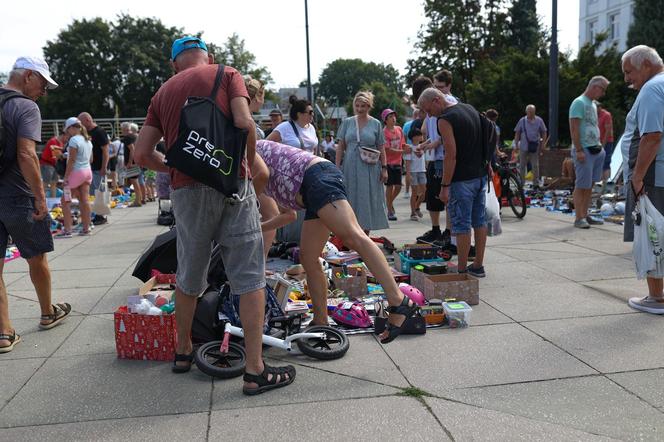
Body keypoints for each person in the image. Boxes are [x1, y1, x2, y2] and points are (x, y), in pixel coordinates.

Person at [134, 36, 294, 394]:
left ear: (174, 63)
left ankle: (183, 350)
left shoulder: (162, 94)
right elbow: (245, 123)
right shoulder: (227, 74)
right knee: (249, 273)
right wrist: (246, 166)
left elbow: (141, 154)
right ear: (208, 57)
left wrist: (175, 168)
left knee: (190, 270)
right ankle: (254, 370)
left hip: (186, 190)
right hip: (232, 184)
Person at [253, 140, 419, 343]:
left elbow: (261, 175)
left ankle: (398, 300)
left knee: (353, 236)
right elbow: (288, 216)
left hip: (316, 178)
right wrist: (254, 229)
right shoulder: (256, 174)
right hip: (310, 188)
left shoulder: (246, 152)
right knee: (308, 257)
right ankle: (321, 319)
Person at [0, 57, 72, 354]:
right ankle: (47, 312)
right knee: (36, 258)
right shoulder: (25, 106)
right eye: (42, 83)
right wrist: (41, 198)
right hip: (18, 195)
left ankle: (4, 333)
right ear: (28, 76)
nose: (44, 90)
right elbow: (27, 155)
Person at [418, 87, 488, 278]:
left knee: (461, 225)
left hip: (461, 179)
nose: (428, 115)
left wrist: (445, 186)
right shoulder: (470, 109)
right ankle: (478, 265)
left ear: (436, 100)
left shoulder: (445, 119)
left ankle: (462, 269)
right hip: (479, 176)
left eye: (428, 109)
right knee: (479, 221)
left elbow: (450, 154)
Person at [620, 45, 664, 314]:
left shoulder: (651, 89)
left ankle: (657, 297)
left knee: (652, 234)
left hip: (651, 174)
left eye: (629, 72)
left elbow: (651, 136)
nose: (627, 79)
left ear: (646, 64)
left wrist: (637, 178)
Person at [335, 91, 388, 233]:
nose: (359, 109)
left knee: (367, 197)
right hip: (350, 165)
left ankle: (365, 234)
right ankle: (350, 233)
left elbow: (381, 147)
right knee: (350, 197)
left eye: (363, 106)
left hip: (369, 166)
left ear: (369, 106)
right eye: (357, 106)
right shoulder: (347, 122)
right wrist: (336, 166)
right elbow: (341, 146)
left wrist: (384, 168)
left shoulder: (376, 123)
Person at [417, 71, 456, 246]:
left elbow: (450, 134)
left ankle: (448, 231)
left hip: (443, 156)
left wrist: (433, 144)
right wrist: (425, 145)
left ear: (449, 86)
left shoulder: (451, 103)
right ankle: (435, 229)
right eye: (435, 87)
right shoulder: (433, 105)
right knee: (433, 196)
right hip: (434, 157)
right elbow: (432, 133)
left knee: (446, 195)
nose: (438, 90)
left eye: (441, 87)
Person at [569, 76, 609, 229]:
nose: (603, 93)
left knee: (589, 185)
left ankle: (584, 214)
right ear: (595, 87)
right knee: (581, 185)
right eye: (603, 89)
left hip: (596, 149)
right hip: (584, 149)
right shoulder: (578, 103)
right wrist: (579, 149)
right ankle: (579, 218)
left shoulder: (592, 104)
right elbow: (574, 128)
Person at [55, 117, 93, 238]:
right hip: (87, 171)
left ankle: (67, 230)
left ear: (72, 128)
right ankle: (86, 228)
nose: (67, 133)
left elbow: (72, 160)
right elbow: (90, 159)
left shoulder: (73, 140)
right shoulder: (87, 140)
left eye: (67, 130)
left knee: (65, 201)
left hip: (76, 172)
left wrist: (66, 177)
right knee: (84, 200)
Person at [78, 112, 109, 225]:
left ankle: (102, 215)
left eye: (81, 123)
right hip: (91, 167)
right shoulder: (87, 132)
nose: (80, 126)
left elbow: (106, 151)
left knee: (100, 191)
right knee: (93, 192)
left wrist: (104, 167)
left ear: (87, 120)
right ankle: (97, 214)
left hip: (99, 167)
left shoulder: (99, 132)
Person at [514, 105, 547, 186]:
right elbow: (517, 133)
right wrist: (516, 144)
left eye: (532, 112)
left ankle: (535, 184)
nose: (530, 113)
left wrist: (543, 144)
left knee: (535, 165)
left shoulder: (539, 120)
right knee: (522, 165)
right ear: (526, 112)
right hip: (523, 146)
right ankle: (521, 183)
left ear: (534, 111)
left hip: (535, 146)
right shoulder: (522, 120)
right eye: (529, 112)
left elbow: (544, 132)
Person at [382, 108, 405, 221]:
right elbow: (387, 150)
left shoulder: (399, 129)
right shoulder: (384, 132)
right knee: (390, 187)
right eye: (390, 117)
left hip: (398, 162)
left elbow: (403, 144)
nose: (393, 118)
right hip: (388, 163)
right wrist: (403, 152)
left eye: (394, 116)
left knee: (399, 186)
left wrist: (414, 149)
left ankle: (389, 204)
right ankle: (390, 211)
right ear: (385, 120)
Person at [121, 122, 143, 207]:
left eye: (121, 129)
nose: (121, 131)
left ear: (125, 129)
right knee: (136, 181)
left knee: (134, 181)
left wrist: (129, 162)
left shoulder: (127, 137)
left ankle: (137, 200)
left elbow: (132, 149)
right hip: (136, 161)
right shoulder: (135, 136)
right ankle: (139, 199)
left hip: (132, 162)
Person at [402, 108, 423, 199]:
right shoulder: (422, 123)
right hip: (416, 148)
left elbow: (404, 137)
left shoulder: (407, 125)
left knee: (409, 171)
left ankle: (407, 191)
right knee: (416, 171)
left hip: (409, 148)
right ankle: (417, 193)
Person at [407, 127, 427, 221]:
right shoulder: (409, 148)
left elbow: (427, 143)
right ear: (414, 137)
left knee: (424, 192)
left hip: (422, 171)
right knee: (414, 193)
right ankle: (412, 213)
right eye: (419, 135)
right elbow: (407, 162)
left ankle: (416, 207)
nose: (421, 137)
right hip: (413, 172)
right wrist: (408, 174)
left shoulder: (421, 147)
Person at [40, 129, 67, 197]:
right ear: (63, 135)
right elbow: (57, 156)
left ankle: (53, 199)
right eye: (67, 137)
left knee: (54, 183)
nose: (67, 139)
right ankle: (39, 198)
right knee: (46, 183)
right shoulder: (53, 141)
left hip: (54, 165)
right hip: (47, 164)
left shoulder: (60, 143)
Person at [597, 102, 615, 181]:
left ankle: (606, 183)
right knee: (599, 163)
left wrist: (603, 145)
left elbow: (608, 131)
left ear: (599, 107)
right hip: (598, 142)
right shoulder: (595, 115)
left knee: (606, 163)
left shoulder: (606, 115)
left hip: (607, 142)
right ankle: (600, 183)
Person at [244, 75, 265, 139]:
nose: (263, 102)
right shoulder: (246, 121)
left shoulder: (240, 116)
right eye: (263, 97)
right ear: (257, 98)